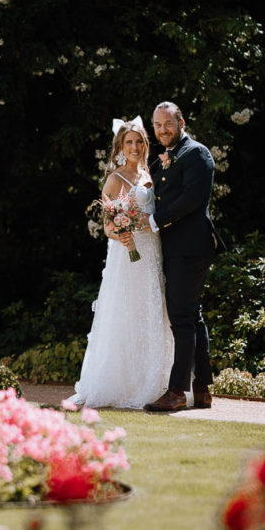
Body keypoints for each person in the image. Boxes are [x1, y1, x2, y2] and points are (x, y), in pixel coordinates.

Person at [69, 117, 174, 409]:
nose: (135, 147)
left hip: (152, 252)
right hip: (126, 254)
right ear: (120, 146)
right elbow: (107, 226)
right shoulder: (115, 179)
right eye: (129, 142)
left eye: (139, 141)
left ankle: (153, 381)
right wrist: (121, 236)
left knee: (151, 310)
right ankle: (119, 382)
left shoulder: (150, 174)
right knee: (125, 312)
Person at [144, 101, 224, 413]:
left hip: (191, 247)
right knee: (192, 314)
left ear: (181, 122)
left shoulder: (197, 154)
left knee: (181, 317)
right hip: (175, 247)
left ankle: (177, 391)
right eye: (157, 125)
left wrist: (153, 220)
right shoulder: (166, 156)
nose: (162, 130)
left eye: (167, 124)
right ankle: (202, 389)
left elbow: (192, 199)